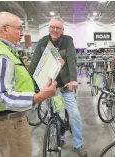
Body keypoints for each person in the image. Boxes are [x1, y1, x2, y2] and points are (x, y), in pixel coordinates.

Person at [0, 12, 58, 157]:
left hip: (6, 119)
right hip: (7, 121)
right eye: (18, 29)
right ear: (5, 29)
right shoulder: (0, 55)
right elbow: (4, 96)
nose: (22, 33)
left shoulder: (1, 50)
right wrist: (37, 97)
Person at [28, 17, 88, 157]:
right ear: (49, 28)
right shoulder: (43, 41)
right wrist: (29, 83)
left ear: (62, 30)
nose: (55, 30)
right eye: (52, 27)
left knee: (74, 115)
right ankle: (59, 138)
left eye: (58, 28)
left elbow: (72, 59)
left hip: (66, 85)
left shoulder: (68, 40)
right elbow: (34, 63)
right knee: (56, 113)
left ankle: (78, 144)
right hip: (51, 87)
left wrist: (73, 80)